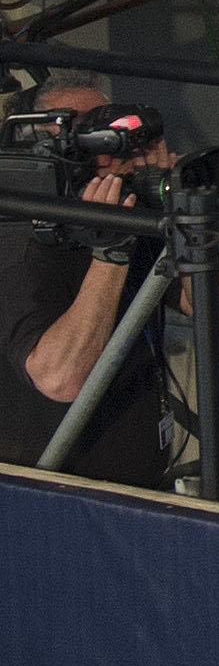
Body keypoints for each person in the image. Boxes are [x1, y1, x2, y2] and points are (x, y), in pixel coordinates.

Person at [0, 81, 173, 489]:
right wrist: (111, 251)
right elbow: (61, 378)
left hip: (137, 488)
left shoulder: (124, 214)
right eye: (90, 135)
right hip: (52, 498)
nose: (114, 150)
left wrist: (181, 210)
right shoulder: (17, 241)